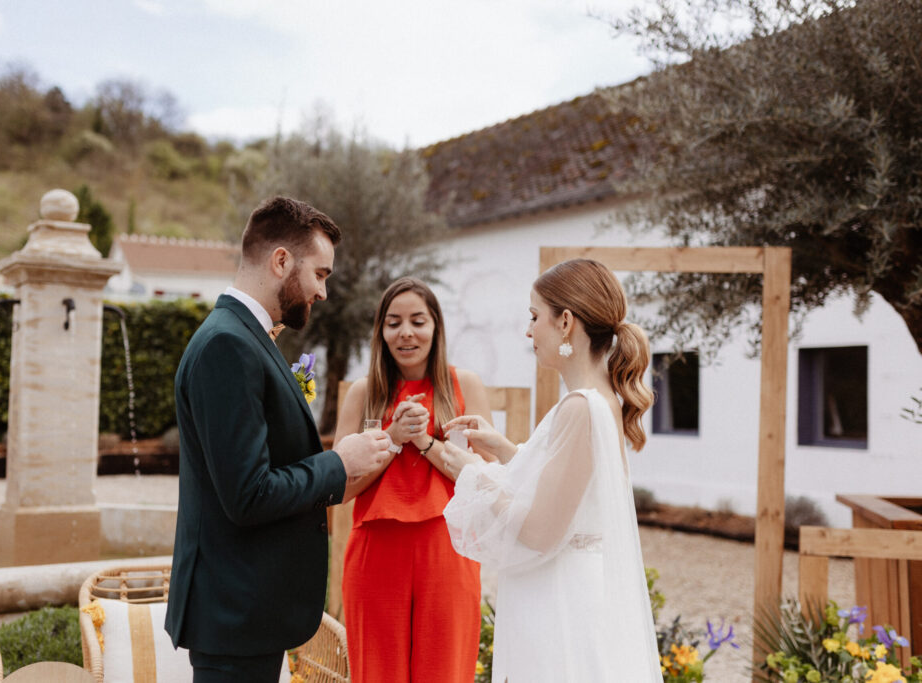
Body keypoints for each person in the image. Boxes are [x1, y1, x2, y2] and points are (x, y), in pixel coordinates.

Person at [165, 196, 392, 683]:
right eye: (321, 274)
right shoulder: (228, 344)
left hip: (247, 614)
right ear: (281, 261)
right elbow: (247, 495)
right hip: (233, 616)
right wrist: (339, 463)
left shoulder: (244, 337)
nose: (323, 292)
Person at [441, 258, 664, 682]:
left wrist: (473, 473)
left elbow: (541, 530)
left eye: (533, 316)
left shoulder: (581, 407)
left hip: (562, 603)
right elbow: (570, 488)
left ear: (565, 322)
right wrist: (506, 450)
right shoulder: (596, 400)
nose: (528, 331)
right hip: (566, 590)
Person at [333, 277, 492, 683]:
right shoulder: (363, 393)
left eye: (418, 321)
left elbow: (487, 482)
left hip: (448, 547)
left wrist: (423, 441)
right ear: (381, 332)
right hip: (376, 549)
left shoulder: (464, 385)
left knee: (444, 669)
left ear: (436, 326)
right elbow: (339, 489)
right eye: (393, 322)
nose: (406, 333)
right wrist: (392, 439)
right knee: (378, 672)